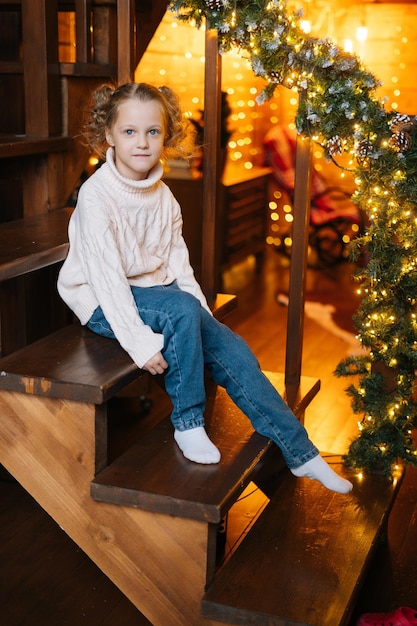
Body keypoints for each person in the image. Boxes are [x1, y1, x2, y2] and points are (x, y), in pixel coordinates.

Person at [57, 82, 353, 495]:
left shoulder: (164, 197)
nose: (141, 142)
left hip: (157, 296)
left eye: (152, 132)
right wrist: (140, 343)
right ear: (109, 135)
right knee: (179, 309)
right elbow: (107, 280)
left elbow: (180, 266)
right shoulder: (96, 196)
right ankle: (188, 422)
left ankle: (302, 454)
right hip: (102, 300)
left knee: (234, 350)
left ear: (166, 135)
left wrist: (203, 317)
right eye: (129, 132)